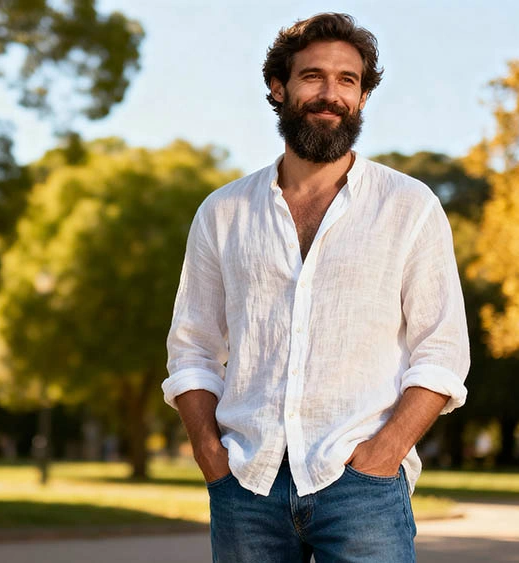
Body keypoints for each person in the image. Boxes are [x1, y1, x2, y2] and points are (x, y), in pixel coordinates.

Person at [162, 13, 470, 563]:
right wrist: (210, 454)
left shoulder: (410, 207)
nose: (331, 94)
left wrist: (385, 452)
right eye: (313, 77)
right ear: (279, 88)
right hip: (246, 485)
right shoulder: (223, 213)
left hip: (362, 488)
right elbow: (192, 349)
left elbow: (442, 352)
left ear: (362, 97)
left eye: (347, 80)